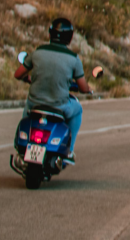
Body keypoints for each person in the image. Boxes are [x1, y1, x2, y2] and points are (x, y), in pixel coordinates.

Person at [14, 17, 90, 162]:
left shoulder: (37, 52)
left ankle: (20, 146)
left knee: (27, 114)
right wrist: (87, 89)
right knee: (77, 110)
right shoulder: (74, 59)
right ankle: (69, 150)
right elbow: (82, 86)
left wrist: (28, 79)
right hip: (59, 106)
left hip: (35, 103)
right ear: (70, 37)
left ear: (50, 33)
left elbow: (18, 74)